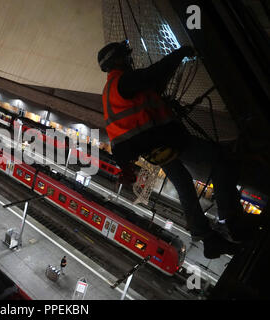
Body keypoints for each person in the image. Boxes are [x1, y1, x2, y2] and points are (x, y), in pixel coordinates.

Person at [97, 40, 259, 259]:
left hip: (152, 150)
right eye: (124, 56)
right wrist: (180, 53)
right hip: (168, 140)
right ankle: (231, 220)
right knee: (222, 160)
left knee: (183, 184)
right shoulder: (123, 81)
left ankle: (207, 239)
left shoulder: (110, 91)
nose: (129, 59)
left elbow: (151, 86)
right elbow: (154, 73)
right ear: (116, 60)